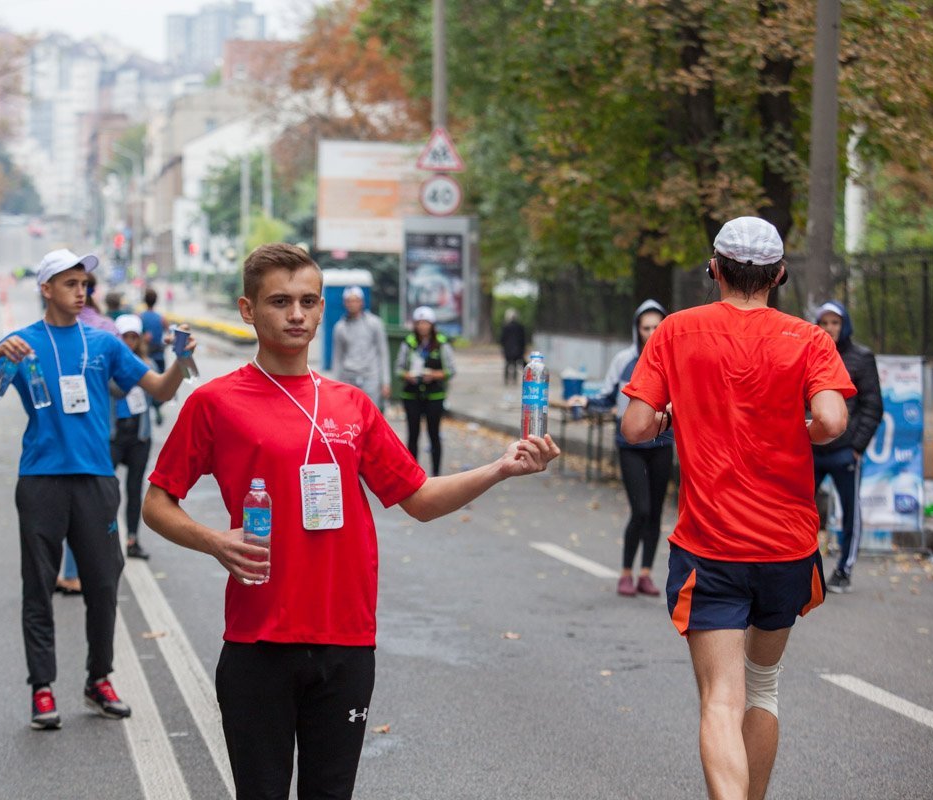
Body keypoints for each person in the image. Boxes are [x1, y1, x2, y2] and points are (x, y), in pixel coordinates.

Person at [142, 243, 559, 800]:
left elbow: (420, 497)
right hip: (258, 643)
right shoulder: (215, 403)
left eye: (308, 301)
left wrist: (501, 468)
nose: (296, 315)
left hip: (346, 643)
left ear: (321, 310)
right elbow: (156, 503)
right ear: (248, 310)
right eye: (280, 301)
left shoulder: (351, 405)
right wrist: (215, 541)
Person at [621, 217, 854, 800]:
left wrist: (675, 415)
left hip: (711, 544)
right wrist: (793, 424)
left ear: (714, 270)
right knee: (763, 686)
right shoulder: (810, 339)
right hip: (788, 545)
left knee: (719, 700)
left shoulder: (675, 331)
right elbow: (831, 421)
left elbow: (636, 424)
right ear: (778, 276)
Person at [0, 248, 194, 731]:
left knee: (103, 585)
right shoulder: (22, 343)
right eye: (70, 283)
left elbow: (160, 390)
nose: (81, 292)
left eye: (85, 284)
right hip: (40, 481)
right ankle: (42, 689)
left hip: (96, 481)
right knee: (38, 586)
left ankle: (98, 679)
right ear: (46, 289)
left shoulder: (103, 345)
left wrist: (182, 361)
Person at [572, 299, 673, 597]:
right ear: (636, 330)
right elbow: (605, 396)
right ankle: (626, 572)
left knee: (655, 512)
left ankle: (645, 574)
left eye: (657, 327)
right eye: (646, 328)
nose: (652, 333)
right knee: (640, 510)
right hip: (629, 444)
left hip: (663, 442)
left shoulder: (673, 359)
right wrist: (586, 402)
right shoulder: (624, 360)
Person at [812, 300, 883, 593]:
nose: (830, 329)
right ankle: (806, 568)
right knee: (801, 510)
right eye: (824, 323)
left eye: (835, 323)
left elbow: (872, 406)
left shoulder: (861, 358)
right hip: (812, 451)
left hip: (845, 452)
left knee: (850, 512)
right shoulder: (810, 353)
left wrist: (857, 446)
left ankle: (844, 570)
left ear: (845, 325)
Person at [112, 314, 156, 560]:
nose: (129, 342)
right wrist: (132, 372)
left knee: (135, 489)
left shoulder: (147, 365)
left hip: (139, 436)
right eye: (124, 337)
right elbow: (115, 389)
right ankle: (104, 538)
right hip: (114, 434)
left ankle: (132, 539)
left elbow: (161, 394)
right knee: (107, 489)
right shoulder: (111, 363)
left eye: (133, 337)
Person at [396, 306, 456, 475]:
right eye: (419, 323)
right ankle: (413, 473)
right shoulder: (408, 343)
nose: (423, 326)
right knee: (413, 435)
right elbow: (399, 369)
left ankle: (436, 474)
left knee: (434, 434)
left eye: (426, 323)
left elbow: (451, 370)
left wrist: (435, 375)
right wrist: (408, 375)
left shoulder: (441, 344)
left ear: (432, 324)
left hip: (434, 396)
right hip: (412, 395)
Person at [331, 285, 391, 409]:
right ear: (345, 303)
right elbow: (337, 357)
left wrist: (385, 381)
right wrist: (335, 383)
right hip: (348, 378)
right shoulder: (340, 327)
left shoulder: (375, 323)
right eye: (349, 301)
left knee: (371, 414)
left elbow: (383, 353)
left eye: (355, 300)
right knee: (350, 415)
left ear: (361, 302)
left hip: (370, 377)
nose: (352, 304)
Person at [139, 288, 167, 425]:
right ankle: (157, 408)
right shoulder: (161, 318)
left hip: (145, 357)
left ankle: (146, 411)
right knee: (161, 385)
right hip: (159, 356)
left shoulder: (139, 317)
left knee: (145, 386)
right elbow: (168, 336)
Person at [499, 308, 527, 385]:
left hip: (508, 349)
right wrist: (523, 349)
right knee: (515, 365)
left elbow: (502, 339)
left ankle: (506, 380)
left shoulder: (506, 327)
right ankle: (514, 380)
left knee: (507, 364)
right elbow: (523, 339)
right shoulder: (520, 327)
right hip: (517, 349)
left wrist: (503, 348)